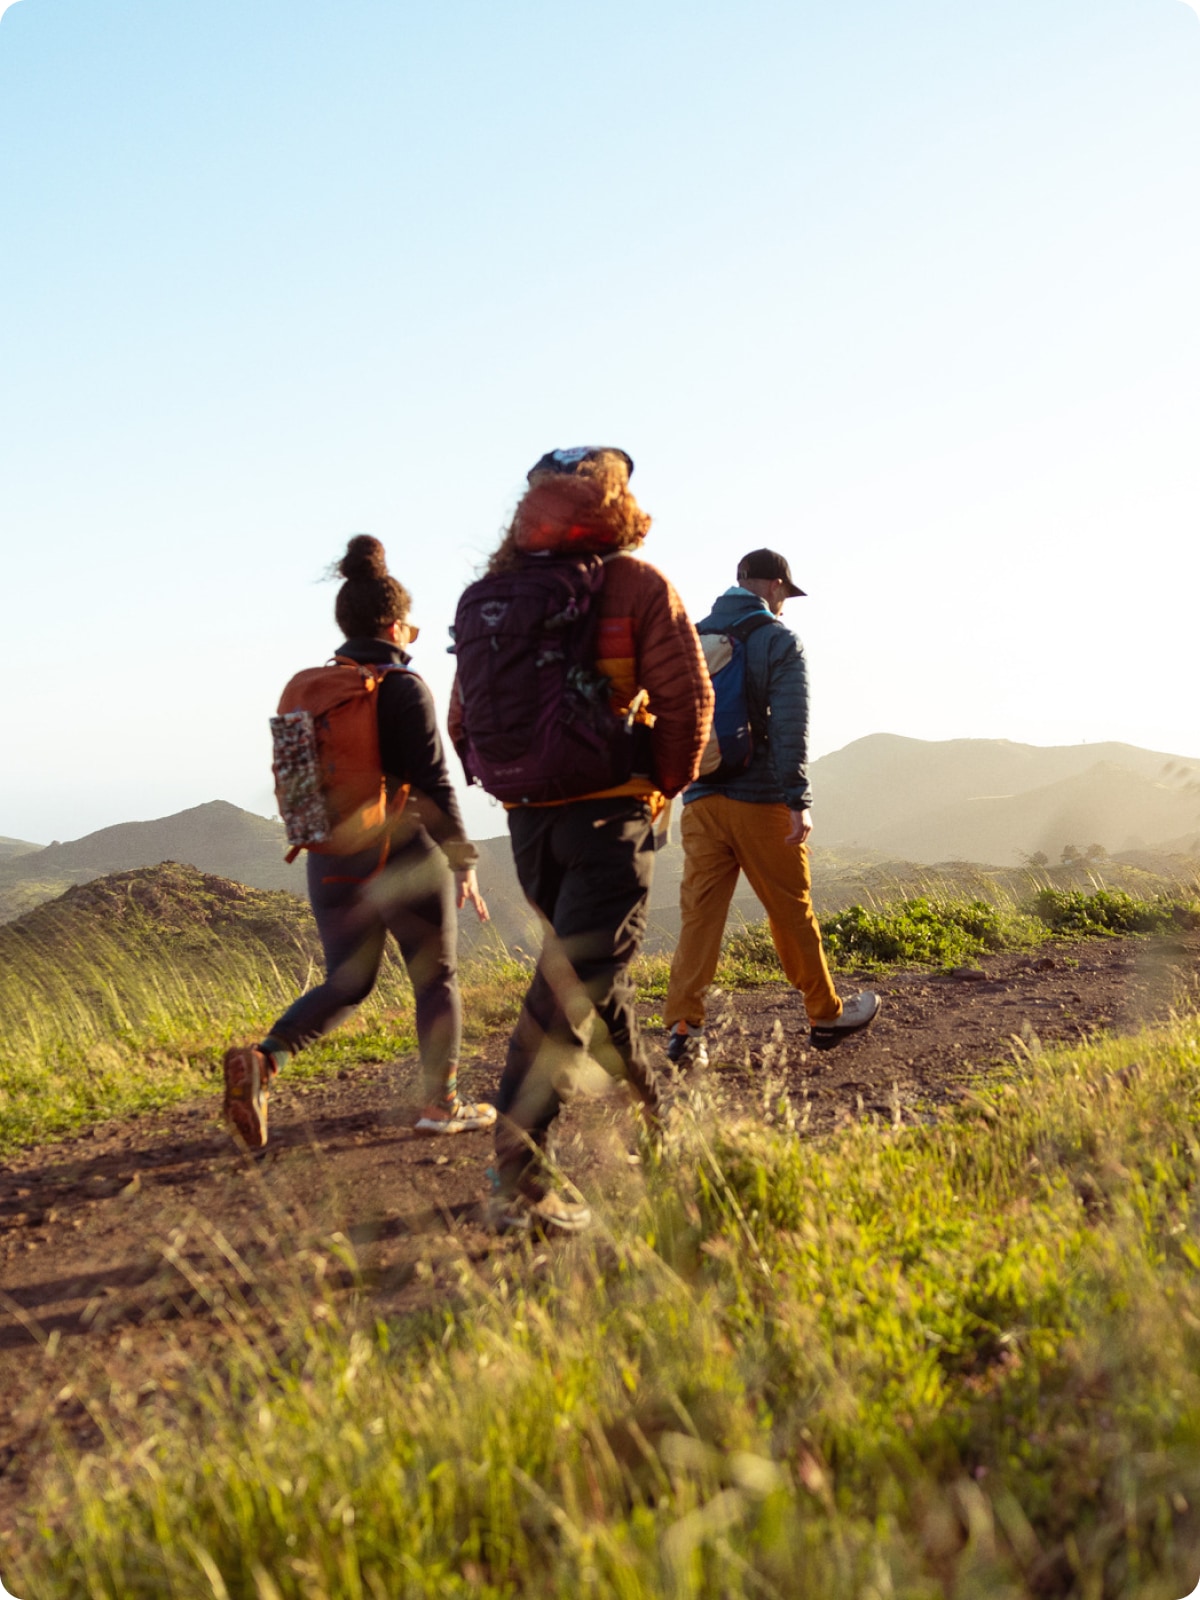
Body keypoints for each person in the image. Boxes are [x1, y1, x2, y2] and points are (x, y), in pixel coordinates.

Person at [450, 448, 713, 1234]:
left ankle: (662, 1120)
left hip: (528, 822)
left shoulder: (488, 595)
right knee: (571, 988)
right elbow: (687, 699)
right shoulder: (634, 584)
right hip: (610, 816)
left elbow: (464, 720)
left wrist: (509, 782)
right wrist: (659, 786)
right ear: (615, 503)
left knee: (595, 978)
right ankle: (518, 1173)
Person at [223, 535, 495, 1151]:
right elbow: (432, 783)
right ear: (397, 626)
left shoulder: (314, 690)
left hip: (331, 856)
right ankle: (440, 1102)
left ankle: (265, 1063)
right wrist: (462, 858)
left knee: (348, 981)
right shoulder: (404, 688)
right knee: (436, 978)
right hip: (402, 854)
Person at [663, 548, 879, 1066]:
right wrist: (796, 799)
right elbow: (789, 726)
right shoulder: (778, 640)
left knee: (699, 917)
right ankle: (825, 1015)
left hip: (700, 800)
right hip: (759, 801)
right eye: (786, 594)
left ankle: (684, 1029)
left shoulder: (689, 639)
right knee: (789, 909)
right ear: (778, 586)